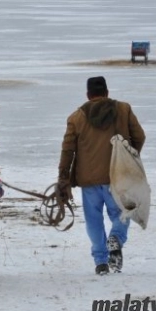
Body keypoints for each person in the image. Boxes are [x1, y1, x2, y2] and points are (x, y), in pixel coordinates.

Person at [57, 76, 145, 275]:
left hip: (88, 181)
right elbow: (139, 136)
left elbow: (67, 150)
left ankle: (101, 262)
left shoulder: (76, 118)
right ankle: (116, 238)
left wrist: (63, 178)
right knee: (122, 214)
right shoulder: (124, 110)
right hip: (118, 177)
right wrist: (130, 158)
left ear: (88, 95)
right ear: (107, 92)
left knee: (93, 220)